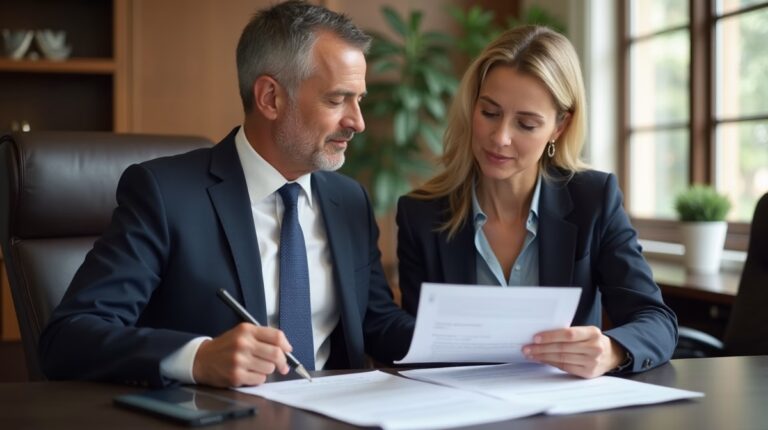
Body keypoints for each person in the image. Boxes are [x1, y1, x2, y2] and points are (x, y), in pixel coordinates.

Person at [39, 0, 414, 388]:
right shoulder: (165, 195)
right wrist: (197, 358)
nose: (358, 122)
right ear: (270, 97)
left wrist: (454, 338)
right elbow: (67, 338)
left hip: (333, 409)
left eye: (359, 99)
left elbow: (378, 322)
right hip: (220, 411)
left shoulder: (349, 199)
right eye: (336, 100)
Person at [396, 26, 677, 378]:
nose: (500, 137)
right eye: (489, 113)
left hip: (564, 404)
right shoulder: (420, 214)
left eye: (526, 124)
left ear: (559, 127)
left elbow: (657, 322)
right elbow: (415, 341)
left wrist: (611, 350)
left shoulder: (594, 200)